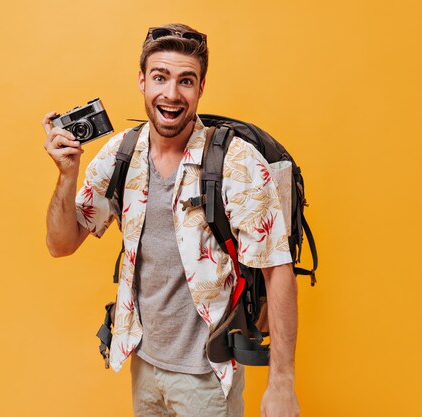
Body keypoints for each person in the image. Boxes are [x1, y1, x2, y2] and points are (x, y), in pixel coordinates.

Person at [43, 23, 300, 417]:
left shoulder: (235, 162)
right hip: (143, 363)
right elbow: (61, 244)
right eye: (160, 77)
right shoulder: (121, 154)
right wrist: (67, 174)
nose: (172, 94)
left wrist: (281, 382)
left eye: (186, 81)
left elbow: (277, 269)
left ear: (200, 89)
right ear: (142, 81)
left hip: (207, 377)